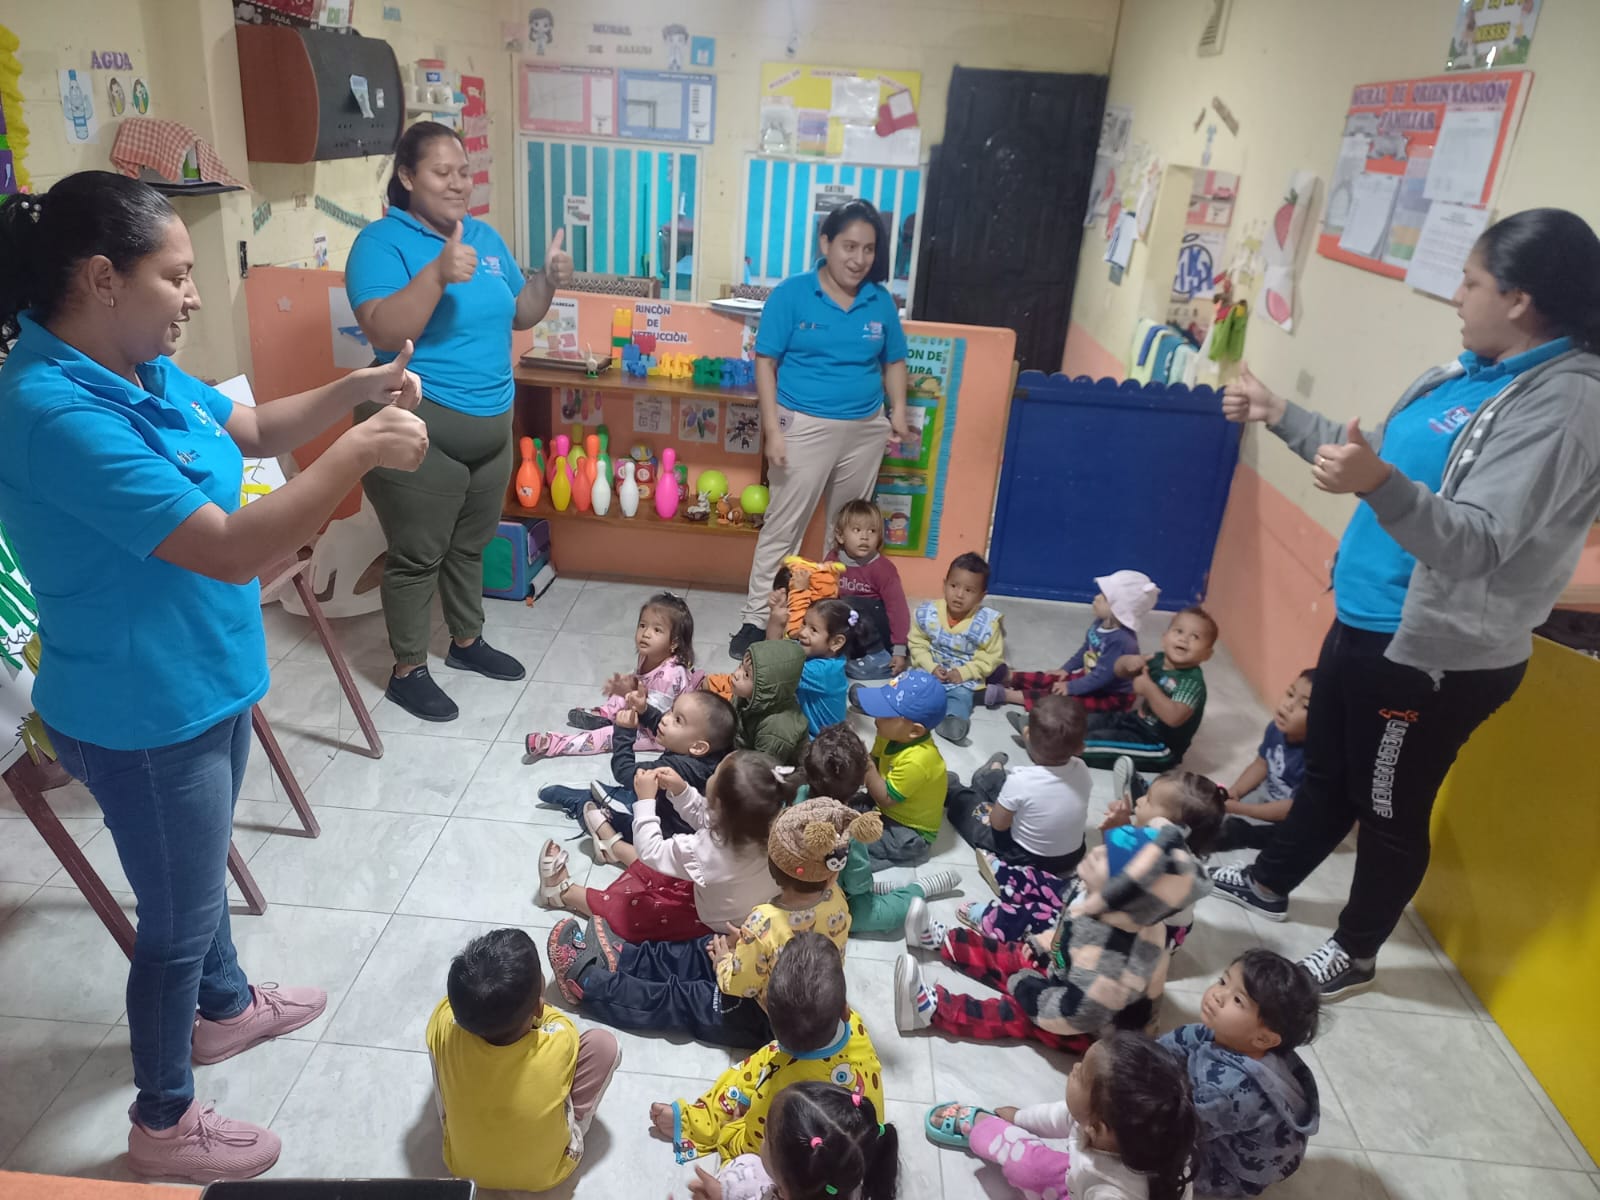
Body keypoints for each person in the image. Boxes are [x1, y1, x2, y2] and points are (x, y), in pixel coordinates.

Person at [0, 173, 428, 1180]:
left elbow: (256, 429)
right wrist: (359, 454)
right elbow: (232, 549)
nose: (193, 296)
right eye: (177, 274)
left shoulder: (135, 368)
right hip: (144, 710)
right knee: (179, 921)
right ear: (103, 279)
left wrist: (355, 392)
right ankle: (162, 1122)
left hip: (205, 677)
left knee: (193, 877)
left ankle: (226, 1010)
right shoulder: (51, 410)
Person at [1210, 208, 1600, 999]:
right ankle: (1270, 881)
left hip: (1433, 656)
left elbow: (1479, 540)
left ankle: (1355, 951)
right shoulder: (1470, 374)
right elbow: (1374, 454)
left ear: (1519, 299)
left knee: (1387, 807)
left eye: (1471, 281)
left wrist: (1380, 485)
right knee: (1328, 771)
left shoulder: (1565, 405)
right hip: (1365, 619)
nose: (1457, 296)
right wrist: (1279, 413)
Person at [346, 120, 573, 722]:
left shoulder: (484, 236)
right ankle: (407, 670)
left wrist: (547, 280)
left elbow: (520, 312)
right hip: (416, 420)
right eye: (441, 172)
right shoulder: (382, 242)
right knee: (418, 552)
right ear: (406, 176)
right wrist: (437, 274)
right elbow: (382, 328)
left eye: (464, 172)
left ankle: (466, 642)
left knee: (471, 544)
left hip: (492, 420)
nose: (457, 183)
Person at [545, 796, 879, 1048]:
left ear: (773, 869)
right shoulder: (837, 900)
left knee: (681, 999)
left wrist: (724, 961)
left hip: (766, 1016)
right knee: (697, 949)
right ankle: (624, 958)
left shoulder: (765, 919)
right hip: (780, 982)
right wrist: (739, 947)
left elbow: (739, 984)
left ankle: (590, 985)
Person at [728, 199, 910, 660]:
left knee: (845, 533)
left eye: (868, 249)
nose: (859, 258)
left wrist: (898, 411)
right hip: (803, 423)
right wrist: (773, 431)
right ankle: (757, 619)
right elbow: (765, 362)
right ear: (825, 243)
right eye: (849, 246)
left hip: (865, 428)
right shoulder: (792, 294)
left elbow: (893, 361)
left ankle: (828, 621)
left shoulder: (879, 301)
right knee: (783, 526)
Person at [895, 822, 1212, 1050]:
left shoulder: (1115, 961)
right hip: (1067, 975)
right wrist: (1045, 942)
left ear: (1123, 897)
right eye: (1106, 846)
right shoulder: (1092, 892)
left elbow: (1077, 1014)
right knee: (1013, 953)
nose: (1097, 851)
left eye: (1108, 859)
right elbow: (1068, 925)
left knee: (1015, 1015)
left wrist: (1029, 991)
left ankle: (930, 1012)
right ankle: (943, 941)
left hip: (1093, 1028)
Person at [651, 933, 884, 1165]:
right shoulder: (855, 1023)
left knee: (742, 1090)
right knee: (760, 1063)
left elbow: (753, 1146)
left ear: (769, 1018)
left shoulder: (780, 1092)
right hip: (849, 1118)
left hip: (808, 1156)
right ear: (845, 1010)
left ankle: (695, 1123)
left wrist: (733, 1130)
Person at [425, 928, 621, 1192]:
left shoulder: (443, 1022)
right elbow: (559, 1024)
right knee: (606, 1045)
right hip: (548, 1174)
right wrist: (534, 1006)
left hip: (461, 1168)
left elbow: (451, 1008)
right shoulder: (559, 1040)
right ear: (539, 1007)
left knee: (440, 1043)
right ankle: (571, 1128)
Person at [536, 752, 785, 943]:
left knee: (633, 914)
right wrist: (681, 790)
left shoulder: (710, 850)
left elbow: (651, 851)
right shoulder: (768, 826)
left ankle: (562, 893)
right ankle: (616, 848)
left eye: (715, 775)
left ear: (719, 803)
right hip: (725, 896)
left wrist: (645, 800)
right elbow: (709, 818)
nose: (710, 777)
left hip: (711, 921)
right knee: (669, 867)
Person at [921, 1032, 1199, 1200]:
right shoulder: (1131, 1128)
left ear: (1099, 1128)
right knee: (1036, 1160)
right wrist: (1019, 1118)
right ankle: (998, 1129)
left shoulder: (1113, 1193)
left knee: (1028, 1168)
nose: (1074, 1068)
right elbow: (1059, 1116)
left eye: (1080, 1074)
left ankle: (986, 1130)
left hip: (1082, 1191)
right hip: (1079, 1180)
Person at [1160, 950, 1321, 1197]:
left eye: (1238, 1000)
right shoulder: (1231, 1036)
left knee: (1159, 1165)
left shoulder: (1228, 1090)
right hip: (1242, 1133)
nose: (1218, 995)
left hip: (1234, 1173)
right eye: (1223, 981)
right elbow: (1171, 1045)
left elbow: (1179, 1129)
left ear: (1263, 1039)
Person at [798, 723, 959, 938]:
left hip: (805, 890)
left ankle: (911, 889)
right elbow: (858, 883)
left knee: (858, 910)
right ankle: (910, 890)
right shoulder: (851, 830)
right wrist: (863, 888)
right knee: (873, 912)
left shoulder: (799, 795)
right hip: (833, 892)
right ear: (859, 786)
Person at [541, 688, 736, 850]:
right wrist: (644, 710)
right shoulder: (709, 749)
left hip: (663, 834)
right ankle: (612, 798)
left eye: (678, 720)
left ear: (698, 747)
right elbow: (662, 724)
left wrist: (624, 732)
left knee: (606, 813)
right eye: (671, 711)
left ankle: (582, 802)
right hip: (669, 812)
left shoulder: (681, 768)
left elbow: (624, 772)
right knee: (628, 792)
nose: (666, 719)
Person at [525, 590, 698, 758]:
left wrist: (627, 720)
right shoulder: (647, 654)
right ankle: (605, 714)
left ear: (674, 643)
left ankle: (552, 744)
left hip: (661, 734)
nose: (646, 634)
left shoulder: (670, 675)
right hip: (644, 707)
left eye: (657, 630)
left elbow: (655, 720)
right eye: (642, 625)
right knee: (624, 688)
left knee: (607, 736)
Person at [943, 693, 1092, 876]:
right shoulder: (1082, 768)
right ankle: (991, 775)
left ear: (1026, 734)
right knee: (1021, 797)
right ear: (1081, 748)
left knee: (971, 810)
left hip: (1026, 857)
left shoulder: (1021, 780)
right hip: (1071, 857)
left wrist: (993, 813)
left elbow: (998, 824)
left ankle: (955, 791)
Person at [680, 1080, 900, 1200]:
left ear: (784, 1188)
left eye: (766, 1135)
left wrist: (724, 1194)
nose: (762, 1138)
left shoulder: (748, 1173)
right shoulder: (851, 1181)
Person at [986, 569, 1158, 713]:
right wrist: (1066, 669)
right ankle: (1008, 677)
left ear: (1119, 610)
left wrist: (1071, 687)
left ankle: (1008, 695)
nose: (1097, 597)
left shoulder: (1121, 640)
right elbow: (1086, 649)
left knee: (1062, 699)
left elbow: (1101, 678)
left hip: (1110, 696)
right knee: (1053, 678)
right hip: (1090, 676)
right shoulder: (1101, 622)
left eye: (1105, 597)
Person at [1075, 607, 1218, 770]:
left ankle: (1056, 747)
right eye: (1179, 631)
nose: (1184, 639)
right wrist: (1127, 662)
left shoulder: (1191, 682)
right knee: (1083, 721)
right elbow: (1118, 670)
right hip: (1135, 721)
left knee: (1084, 744)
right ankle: (1056, 733)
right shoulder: (1157, 659)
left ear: (1207, 654)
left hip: (1158, 745)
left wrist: (1148, 689)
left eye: (1195, 637)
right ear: (1164, 638)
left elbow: (1174, 717)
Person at [855, 670, 949, 869]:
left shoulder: (918, 760)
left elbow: (885, 799)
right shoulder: (888, 734)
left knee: (855, 841)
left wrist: (865, 763)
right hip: (886, 806)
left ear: (915, 730)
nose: (876, 719)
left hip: (909, 831)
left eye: (886, 715)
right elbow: (874, 763)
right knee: (846, 807)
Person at [907, 551, 1005, 743]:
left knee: (961, 698)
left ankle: (953, 722)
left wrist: (963, 672)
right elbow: (917, 643)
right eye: (954, 586)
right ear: (944, 584)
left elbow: (991, 658)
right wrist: (931, 666)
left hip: (962, 680)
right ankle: (887, 704)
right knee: (910, 687)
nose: (959, 595)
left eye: (969, 590)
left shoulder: (986, 624)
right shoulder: (928, 613)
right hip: (929, 671)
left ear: (981, 596)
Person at [1216, 670, 1313, 852]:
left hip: (1292, 814)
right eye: (1290, 694)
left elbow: (1292, 808)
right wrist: (1236, 791)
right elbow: (1261, 763)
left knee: (1283, 839)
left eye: (1305, 706)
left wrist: (1241, 809)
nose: (1288, 705)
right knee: (1215, 813)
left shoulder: (1315, 759)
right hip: (1266, 794)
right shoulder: (1276, 729)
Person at [826, 498, 911, 680]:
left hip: (878, 631)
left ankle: (879, 655)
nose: (865, 537)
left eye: (872, 531)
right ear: (840, 536)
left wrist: (899, 649)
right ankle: (843, 652)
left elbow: (898, 610)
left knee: (850, 603)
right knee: (830, 605)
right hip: (851, 629)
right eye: (857, 530)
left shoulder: (883, 569)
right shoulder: (833, 560)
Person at [727, 638, 809, 764]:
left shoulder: (777, 729)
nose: (736, 674)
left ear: (766, 688)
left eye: (746, 675)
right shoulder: (745, 695)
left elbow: (762, 768)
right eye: (740, 666)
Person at [780, 596, 853, 735]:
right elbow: (783, 650)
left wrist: (775, 626)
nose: (802, 632)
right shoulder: (818, 653)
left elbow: (773, 667)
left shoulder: (824, 672)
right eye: (804, 623)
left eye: (813, 630)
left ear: (836, 642)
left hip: (820, 741)